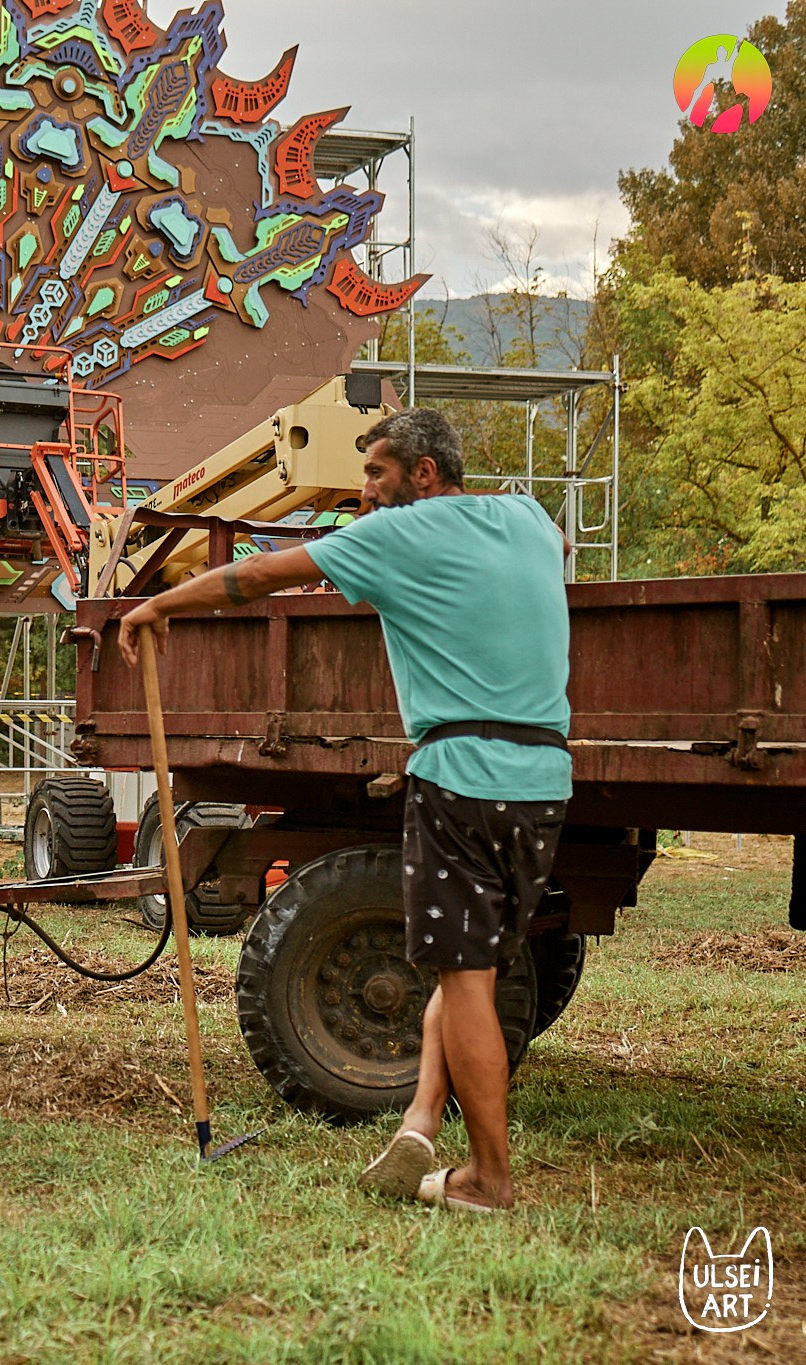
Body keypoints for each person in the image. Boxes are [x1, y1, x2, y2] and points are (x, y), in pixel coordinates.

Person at [119, 408, 570, 1212]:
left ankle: (489, 1179)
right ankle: (422, 1117)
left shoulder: (396, 536)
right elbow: (558, 554)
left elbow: (256, 576)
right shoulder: (529, 516)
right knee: (468, 968)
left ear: (424, 476)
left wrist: (159, 606)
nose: (364, 492)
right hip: (543, 780)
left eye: (377, 474)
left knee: (461, 975)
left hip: (460, 774)